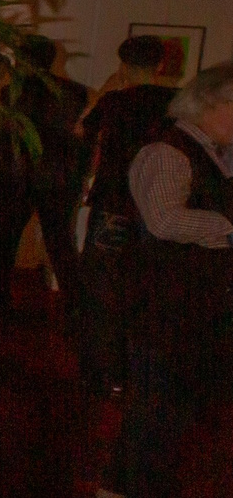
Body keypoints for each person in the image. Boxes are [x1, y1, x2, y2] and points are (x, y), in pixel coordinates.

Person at [101, 62, 233, 498]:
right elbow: (162, 219)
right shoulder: (167, 150)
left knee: (156, 403)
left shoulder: (208, 152)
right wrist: (226, 227)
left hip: (184, 302)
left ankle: (120, 487)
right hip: (163, 302)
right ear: (210, 104)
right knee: (162, 408)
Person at [76, 35, 180, 393]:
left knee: (102, 287)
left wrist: (105, 90)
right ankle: (147, 374)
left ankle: (108, 375)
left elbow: (81, 129)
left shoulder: (114, 102)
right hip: (161, 209)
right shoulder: (180, 105)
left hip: (115, 205)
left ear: (122, 65)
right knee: (150, 289)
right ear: (162, 65)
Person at [14, 36, 91, 298]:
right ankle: (74, 304)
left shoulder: (11, 90)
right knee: (61, 245)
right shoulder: (75, 92)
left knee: (2, 241)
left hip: (17, 174)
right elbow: (81, 139)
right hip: (60, 175)